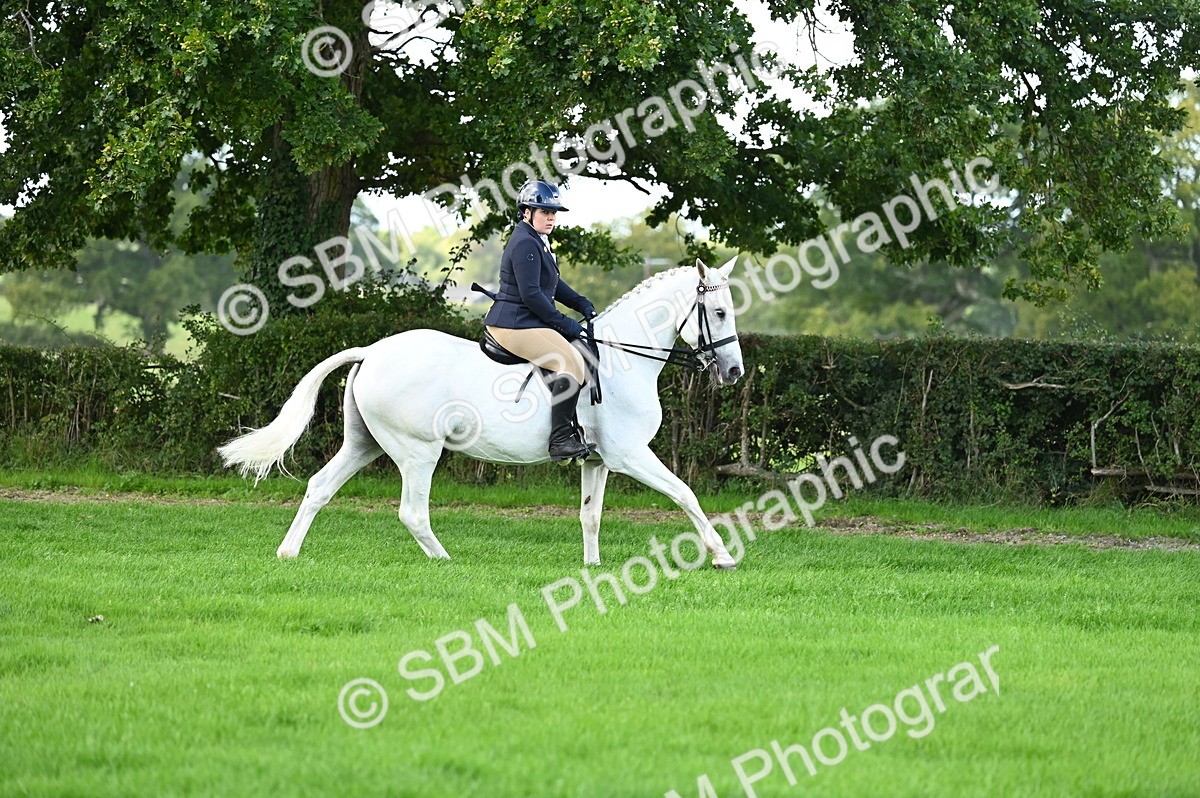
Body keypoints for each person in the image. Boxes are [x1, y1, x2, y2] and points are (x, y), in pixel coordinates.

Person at [484, 179, 597, 461]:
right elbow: (533, 295)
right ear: (526, 212)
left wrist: (580, 303)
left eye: (553, 212)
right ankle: (560, 439)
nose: (551, 217)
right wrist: (564, 322)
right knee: (571, 362)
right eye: (544, 212)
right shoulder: (524, 242)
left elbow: (552, 284)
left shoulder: (537, 240)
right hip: (511, 324)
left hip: (525, 319)